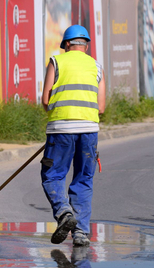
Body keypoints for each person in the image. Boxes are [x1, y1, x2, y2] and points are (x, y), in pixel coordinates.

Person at [40, 25, 106, 247]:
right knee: (84, 179)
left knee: (53, 174)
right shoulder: (97, 66)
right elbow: (102, 107)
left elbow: (45, 100)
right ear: (85, 46)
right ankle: (81, 233)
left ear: (66, 45)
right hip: (89, 131)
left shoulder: (57, 62)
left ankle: (63, 212)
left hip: (61, 130)